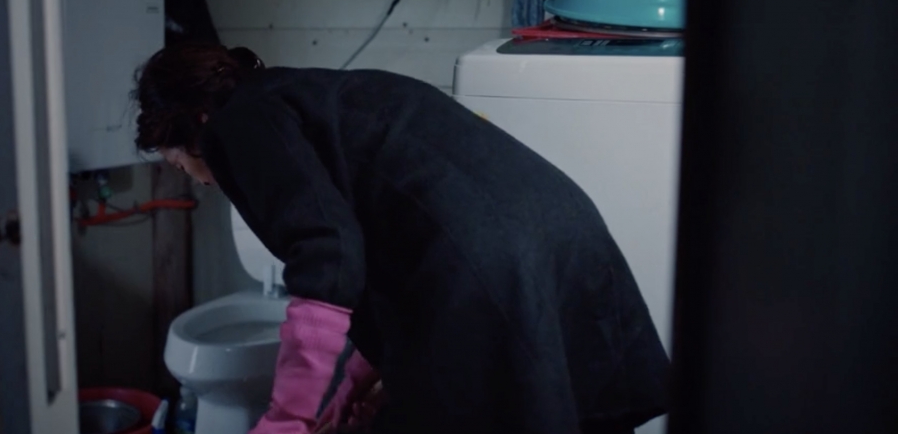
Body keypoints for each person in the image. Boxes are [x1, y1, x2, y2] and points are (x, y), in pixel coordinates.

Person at [132, 42, 670, 434]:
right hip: (559, 229)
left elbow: (329, 255)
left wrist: (287, 418)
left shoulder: (238, 124)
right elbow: (389, 241)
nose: (194, 178)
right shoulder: (313, 92)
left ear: (195, 121)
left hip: (484, 265)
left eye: (178, 163)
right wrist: (354, 382)